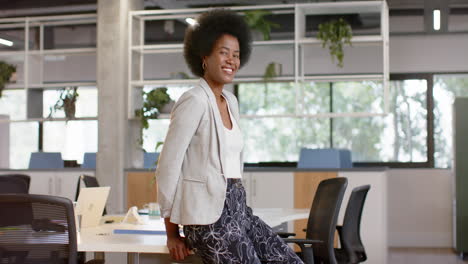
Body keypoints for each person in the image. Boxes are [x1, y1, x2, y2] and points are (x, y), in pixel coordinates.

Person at [156, 9, 304, 264]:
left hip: (238, 211)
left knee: (290, 260)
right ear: (204, 56)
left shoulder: (231, 102)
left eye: (236, 55)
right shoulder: (194, 101)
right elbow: (167, 168)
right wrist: (172, 233)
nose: (231, 61)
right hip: (207, 220)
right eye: (224, 52)